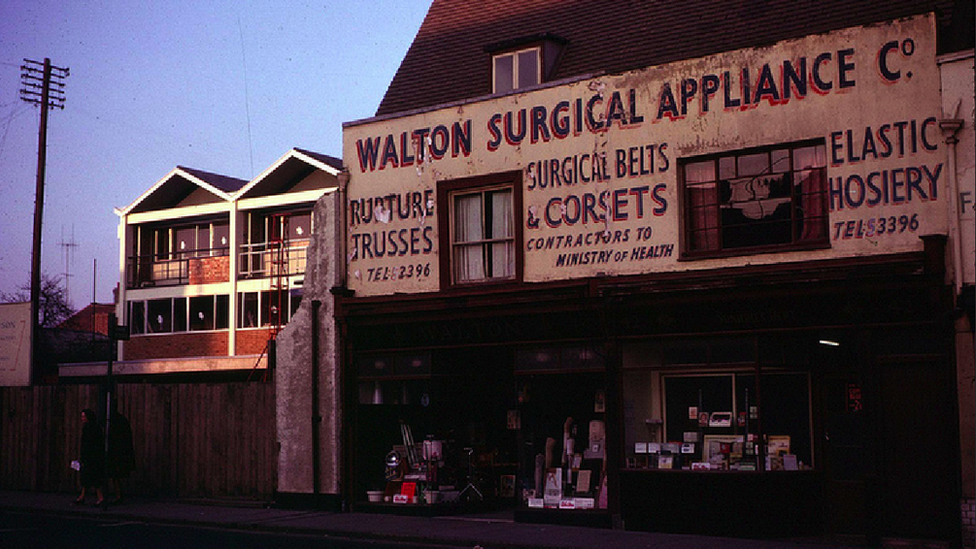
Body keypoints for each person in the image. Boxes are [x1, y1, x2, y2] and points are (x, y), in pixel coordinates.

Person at [75, 408, 105, 505]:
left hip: (91, 457)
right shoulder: (96, 427)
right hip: (94, 456)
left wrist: (84, 456)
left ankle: (100, 498)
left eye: (83, 416)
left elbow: (87, 444)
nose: (82, 418)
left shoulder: (88, 428)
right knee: (88, 477)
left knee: (91, 477)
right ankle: (83, 496)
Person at [105, 409, 135, 504]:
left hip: (116, 453)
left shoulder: (114, 422)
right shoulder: (121, 422)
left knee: (115, 475)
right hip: (120, 453)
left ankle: (116, 496)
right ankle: (117, 496)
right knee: (115, 475)